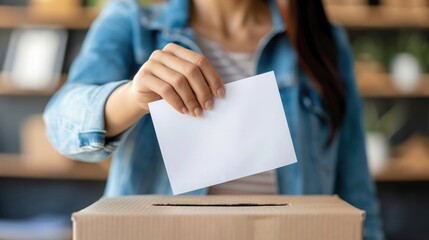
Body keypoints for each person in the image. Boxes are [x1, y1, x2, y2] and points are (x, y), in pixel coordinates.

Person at [43, 0, 383, 238]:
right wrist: (132, 97)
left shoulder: (320, 39)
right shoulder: (133, 23)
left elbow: (355, 189)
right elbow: (61, 122)